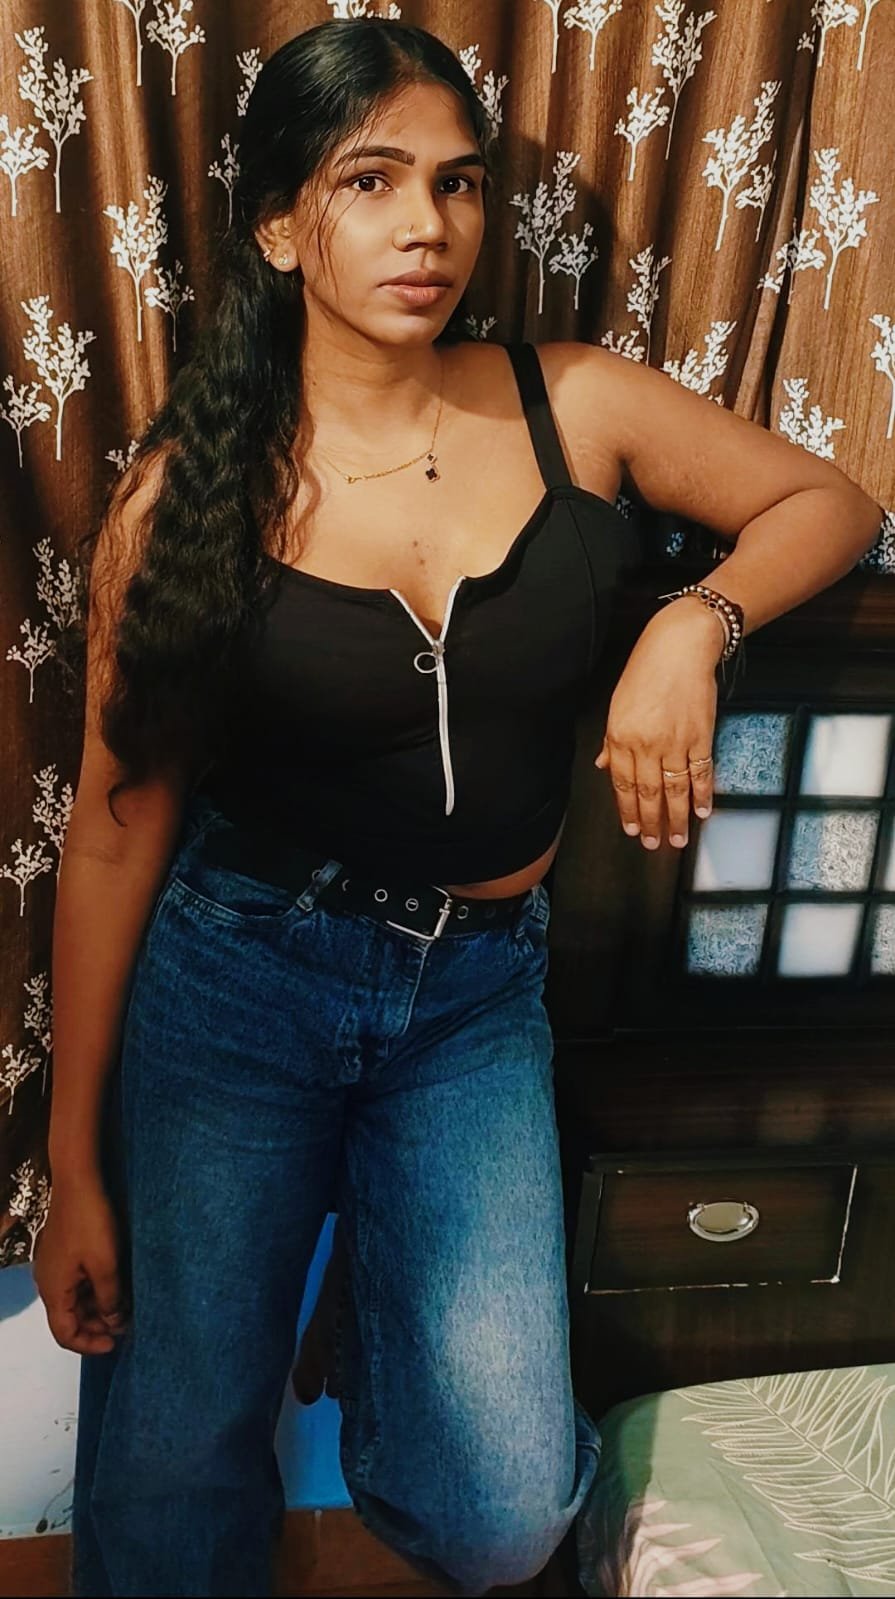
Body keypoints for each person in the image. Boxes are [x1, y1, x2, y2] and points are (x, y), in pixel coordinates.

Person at [32, 16, 882, 1599]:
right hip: (239, 984)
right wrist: (73, 1161)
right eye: (370, 181)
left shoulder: (575, 404)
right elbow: (114, 828)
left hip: (474, 999)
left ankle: (375, 1295)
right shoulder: (186, 494)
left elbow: (826, 499)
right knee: (168, 1471)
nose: (427, 224)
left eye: (459, 181)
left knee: (503, 1513)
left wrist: (692, 626)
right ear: (279, 228)